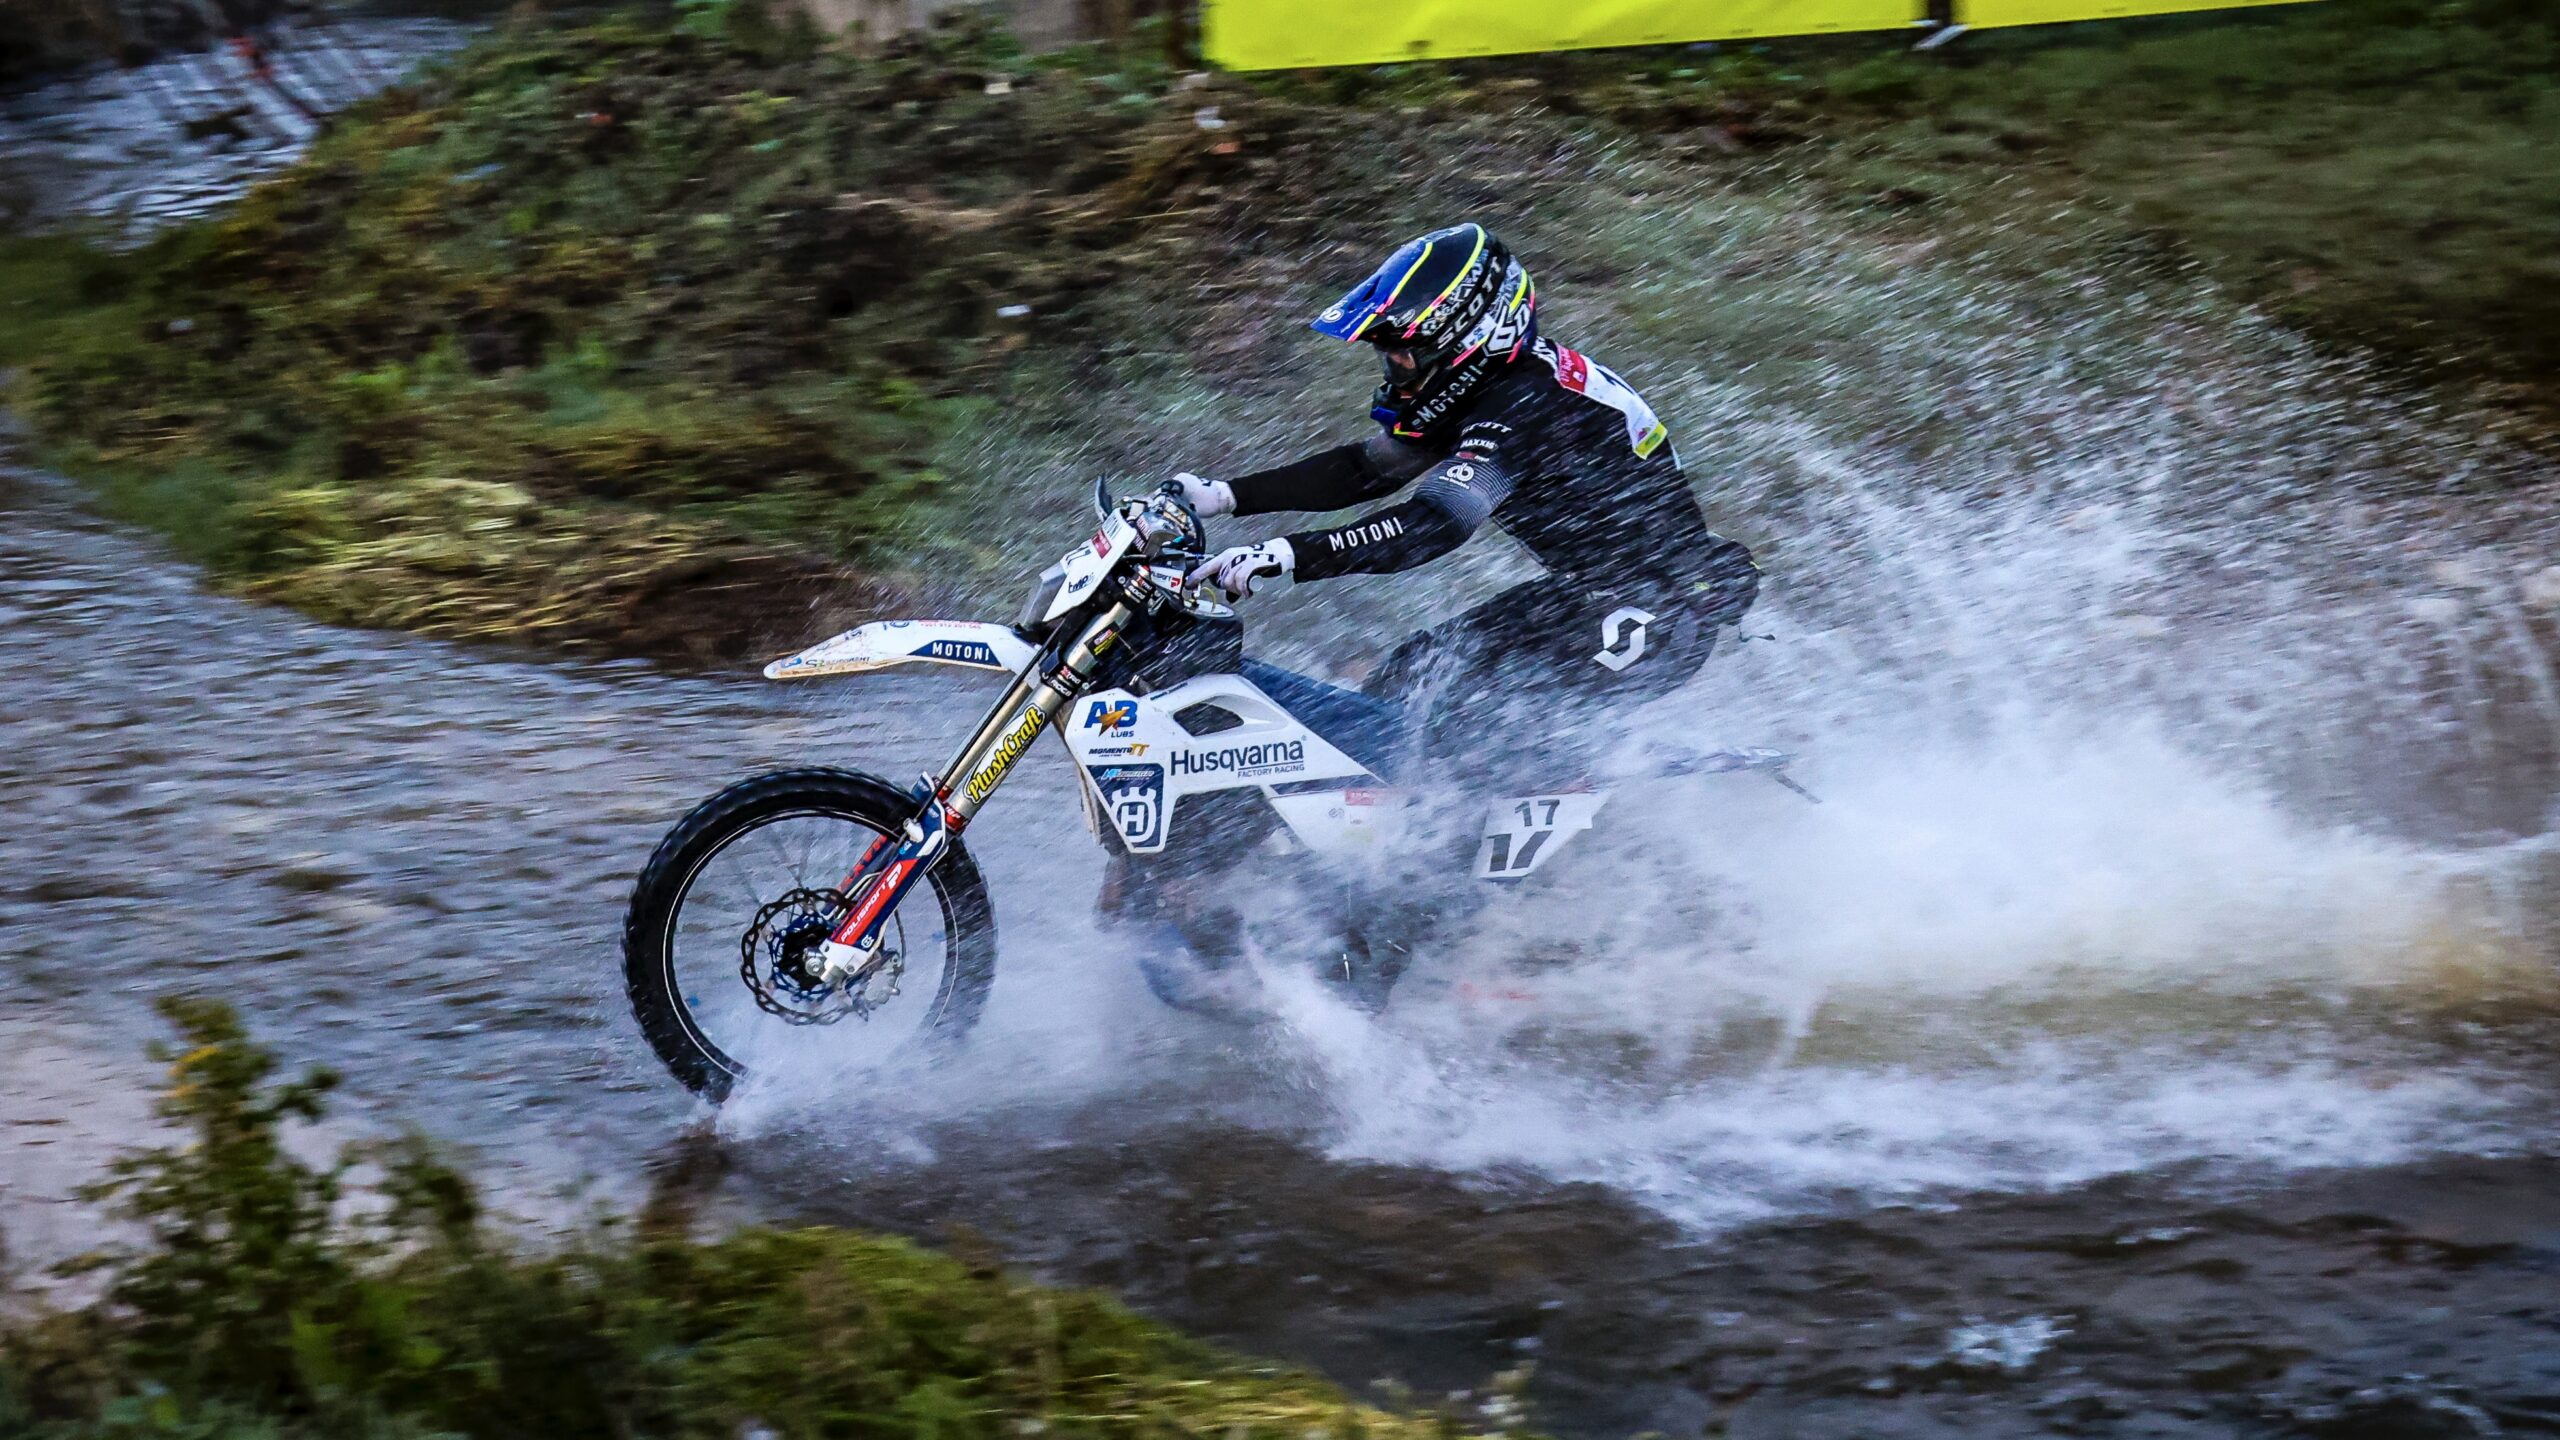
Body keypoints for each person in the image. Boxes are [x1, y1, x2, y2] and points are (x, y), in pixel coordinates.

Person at [1172, 222, 1760, 783]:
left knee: (1466, 738)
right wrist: (1223, 497)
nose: (1394, 370)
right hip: (1597, 593)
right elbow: (1365, 471)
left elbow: (1438, 522)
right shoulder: (1492, 386)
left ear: (1469, 339)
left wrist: (1288, 554)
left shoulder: (1526, 402)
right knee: (1409, 680)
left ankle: (1457, 856)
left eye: (1404, 354)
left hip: (1663, 612)